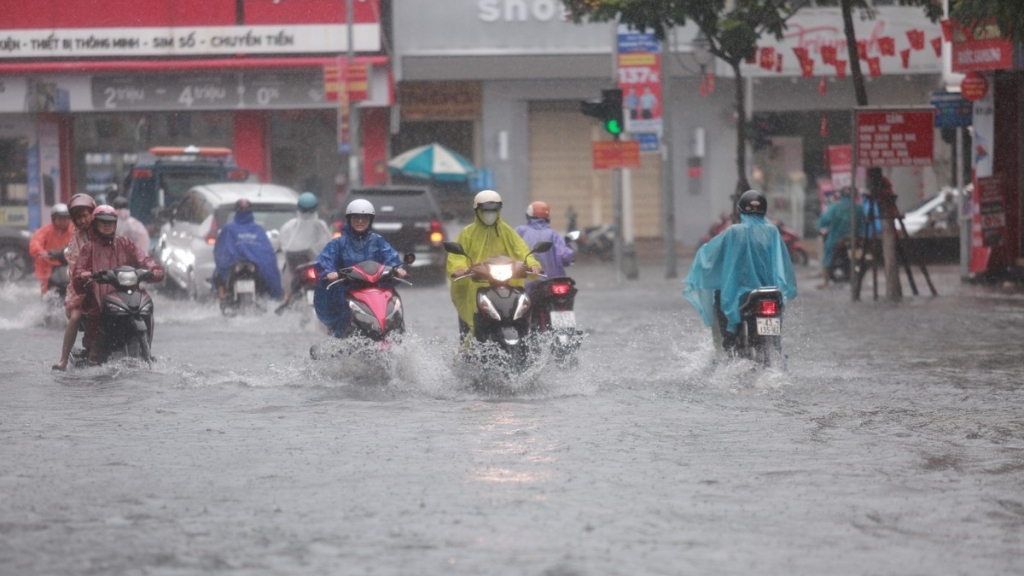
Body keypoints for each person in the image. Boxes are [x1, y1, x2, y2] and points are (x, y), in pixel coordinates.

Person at [683, 190, 797, 353]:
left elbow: (713, 255)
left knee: (720, 300)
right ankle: (774, 352)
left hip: (739, 292)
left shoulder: (734, 231)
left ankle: (729, 347)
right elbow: (783, 263)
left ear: (741, 210)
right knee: (774, 340)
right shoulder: (772, 232)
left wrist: (703, 260)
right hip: (769, 291)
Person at [71, 205, 165, 365]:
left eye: (111, 222)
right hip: (98, 295)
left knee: (146, 304)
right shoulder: (89, 248)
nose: (107, 226)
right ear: (95, 224)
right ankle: (93, 354)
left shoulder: (125, 243)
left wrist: (154, 269)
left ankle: (146, 348)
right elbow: (78, 270)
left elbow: (142, 258)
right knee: (95, 313)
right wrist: (83, 275)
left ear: (116, 224)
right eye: (103, 222)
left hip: (126, 293)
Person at [447, 190, 541, 339]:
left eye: (494, 211)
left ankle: (524, 346)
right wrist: (459, 268)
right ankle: (467, 353)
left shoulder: (507, 232)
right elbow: (457, 256)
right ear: (477, 211)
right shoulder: (467, 233)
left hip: (505, 282)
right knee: (471, 327)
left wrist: (531, 263)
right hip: (475, 285)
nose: (489, 214)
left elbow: (521, 249)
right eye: (485, 211)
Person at [313, 199, 405, 338]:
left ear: (370, 220)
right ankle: (340, 341)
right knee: (343, 314)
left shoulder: (378, 241)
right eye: (356, 218)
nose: (360, 221)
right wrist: (329, 272)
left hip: (378, 289)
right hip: (347, 290)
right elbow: (325, 260)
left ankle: (397, 335)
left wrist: (397, 269)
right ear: (349, 219)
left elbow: (390, 257)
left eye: (364, 218)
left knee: (394, 305)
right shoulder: (339, 243)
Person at [53, 194, 97, 371]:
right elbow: (73, 262)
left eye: (86, 215)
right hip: (83, 288)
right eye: (78, 217)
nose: (83, 220)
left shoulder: (104, 229)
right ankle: (63, 359)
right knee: (76, 317)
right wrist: (83, 274)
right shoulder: (76, 238)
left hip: (107, 283)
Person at [213, 198, 283, 302]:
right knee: (218, 275)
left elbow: (266, 253)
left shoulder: (253, 229)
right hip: (238, 267)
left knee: (218, 275)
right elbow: (221, 250)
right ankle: (222, 296)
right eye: (243, 209)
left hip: (252, 268)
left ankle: (222, 296)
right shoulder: (253, 229)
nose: (244, 211)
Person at [278, 192, 332, 305]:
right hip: (311, 270)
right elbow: (330, 245)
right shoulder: (320, 226)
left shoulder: (289, 226)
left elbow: (282, 245)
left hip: (300, 270)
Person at [515, 200, 574, 290]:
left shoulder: (520, 231)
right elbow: (565, 256)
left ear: (528, 215)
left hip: (526, 284)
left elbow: (509, 250)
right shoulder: (554, 235)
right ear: (548, 217)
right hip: (551, 283)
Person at [816, 186, 867, 289]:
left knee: (827, 257)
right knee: (863, 258)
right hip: (854, 240)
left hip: (835, 240)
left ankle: (825, 282)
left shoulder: (834, 207)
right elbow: (864, 226)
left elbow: (822, 222)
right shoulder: (859, 208)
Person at [28, 203, 73, 294]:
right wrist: (40, 251)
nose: (63, 221)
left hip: (67, 265)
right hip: (47, 267)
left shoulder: (74, 230)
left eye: (66, 218)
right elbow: (35, 242)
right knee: (47, 293)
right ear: (54, 219)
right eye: (60, 218)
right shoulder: (45, 230)